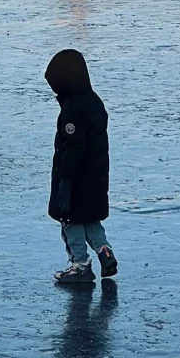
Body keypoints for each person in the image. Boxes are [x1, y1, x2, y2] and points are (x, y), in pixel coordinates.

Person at [45, 48, 116, 283]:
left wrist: (65, 183)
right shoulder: (93, 101)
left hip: (76, 178)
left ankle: (80, 264)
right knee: (90, 219)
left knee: (71, 221)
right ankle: (105, 251)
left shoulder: (73, 109)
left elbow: (73, 148)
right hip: (94, 177)